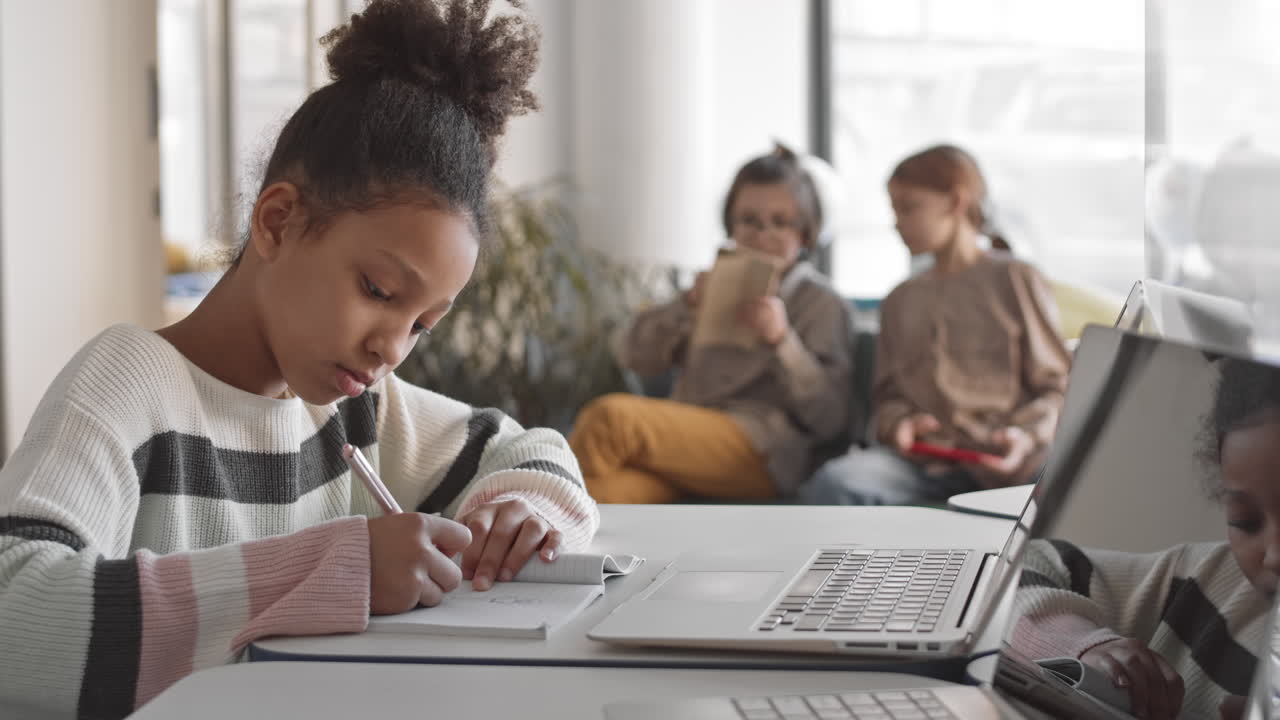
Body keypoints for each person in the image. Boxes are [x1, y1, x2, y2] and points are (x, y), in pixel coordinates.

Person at [0, 1, 598, 717]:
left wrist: (518, 512)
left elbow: (527, 449)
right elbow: (12, 609)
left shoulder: (351, 406)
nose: (391, 348)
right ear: (279, 221)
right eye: (378, 290)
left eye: (423, 327)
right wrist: (337, 568)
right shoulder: (128, 384)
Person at [570, 144, 857, 503]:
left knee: (609, 420)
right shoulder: (711, 284)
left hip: (765, 451)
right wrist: (685, 307)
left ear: (805, 234)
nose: (762, 234)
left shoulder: (822, 303)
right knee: (602, 496)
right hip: (687, 439)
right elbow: (630, 354)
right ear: (731, 225)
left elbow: (831, 420)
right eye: (749, 220)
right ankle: (570, 554)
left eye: (780, 222)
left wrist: (782, 341)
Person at [1010, 357, 1280, 719]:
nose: (1273, 555)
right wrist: (1080, 644)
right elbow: (1024, 562)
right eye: (1244, 521)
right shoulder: (1203, 581)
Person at [801, 144, 1070, 506]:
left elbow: (1059, 388)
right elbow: (889, 398)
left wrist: (1024, 437)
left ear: (956, 203)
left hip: (1016, 461)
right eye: (894, 209)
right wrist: (901, 425)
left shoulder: (1016, 279)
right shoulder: (900, 300)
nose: (897, 222)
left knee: (1068, 478)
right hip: (924, 467)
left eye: (909, 208)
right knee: (836, 483)